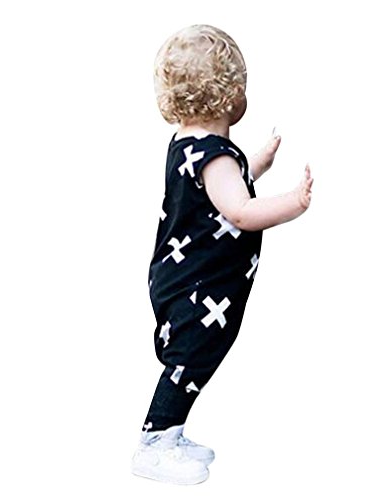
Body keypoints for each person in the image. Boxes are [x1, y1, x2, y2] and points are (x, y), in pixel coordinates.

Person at [131, 24, 313, 485]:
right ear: (231, 96)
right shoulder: (216, 157)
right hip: (200, 286)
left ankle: (171, 433)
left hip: (179, 276)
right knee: (189, 360)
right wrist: (294, 202)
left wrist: (257, 163)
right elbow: (241, 210)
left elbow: (219, 194)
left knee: (191, 360)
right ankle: (153, 443)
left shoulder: (188, 146)